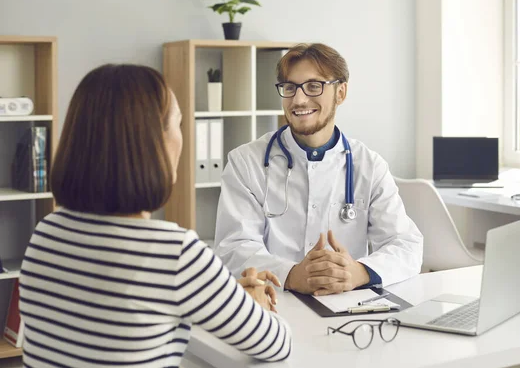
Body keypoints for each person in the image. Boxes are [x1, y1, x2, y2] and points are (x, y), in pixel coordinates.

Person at [19, 64, 291, 367]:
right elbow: (276, 344)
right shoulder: (174, 252)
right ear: (152, 144)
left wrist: (221, 297)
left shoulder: (45, 233)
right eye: (178, 124)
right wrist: (255, 305)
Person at [214, 43, 423, 296]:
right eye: (290, 88)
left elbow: (406, 245)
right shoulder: (246, 162)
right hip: (275, 303)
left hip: (347, 307)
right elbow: (233, 248)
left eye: (314, 86)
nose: (299, 100)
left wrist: (359, 272)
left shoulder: (369, 166)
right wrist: (291, 275)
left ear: (341, 92)